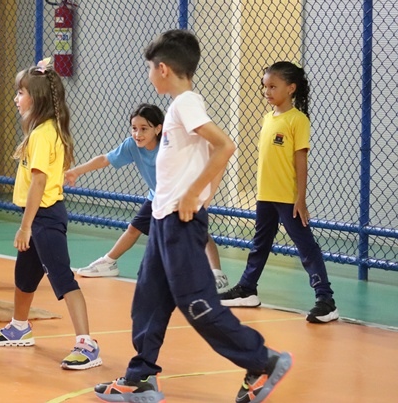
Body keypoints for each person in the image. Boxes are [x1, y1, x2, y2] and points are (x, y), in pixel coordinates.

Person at [94, 31, 292, 403]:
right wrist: (202, 191)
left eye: (150, 68)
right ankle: (140, 377)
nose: (149, 75)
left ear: (163, 69)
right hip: (162, 220)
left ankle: (262, 361)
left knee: (198, 305)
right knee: (148, 300)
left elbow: (225, 145)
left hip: (180, 224)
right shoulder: (178, 108)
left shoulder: (185, 104)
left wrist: (193, 194)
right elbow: (210, 154)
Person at [0, 58, 101, 371]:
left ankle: (87, 344)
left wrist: (25, 227)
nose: (16, 98)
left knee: (62, 278)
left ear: (37, 98)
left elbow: (39, 183)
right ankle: (19, 327)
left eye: (21, 93)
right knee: (24, 277)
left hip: (44, 217)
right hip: (38, 216)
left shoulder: (43, 134)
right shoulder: (41, 131)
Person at [65, 104, 231, 292]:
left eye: (144, 129)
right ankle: (108, 262)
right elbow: (105, 159)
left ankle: (217, 274)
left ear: (158, 129)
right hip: (157, 197)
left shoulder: (170, 145)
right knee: (134, 228)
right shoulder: (131, 145)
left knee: (200, 233)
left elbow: (214, 152)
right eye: (134, 128)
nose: (138, 134)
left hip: (181, 197)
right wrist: (76, 171)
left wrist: (206, 196)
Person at [220, 62, 338, 324]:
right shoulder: (268, 118)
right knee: (259, 244)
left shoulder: (298, 120)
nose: (267, 91)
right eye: (265, 86)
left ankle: (326, 300)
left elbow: (301, 161)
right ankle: (247, 289)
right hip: (266, 196)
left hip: (288, 199)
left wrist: (300, 198)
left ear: (291, 88)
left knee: (306, 247)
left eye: (273, 86)